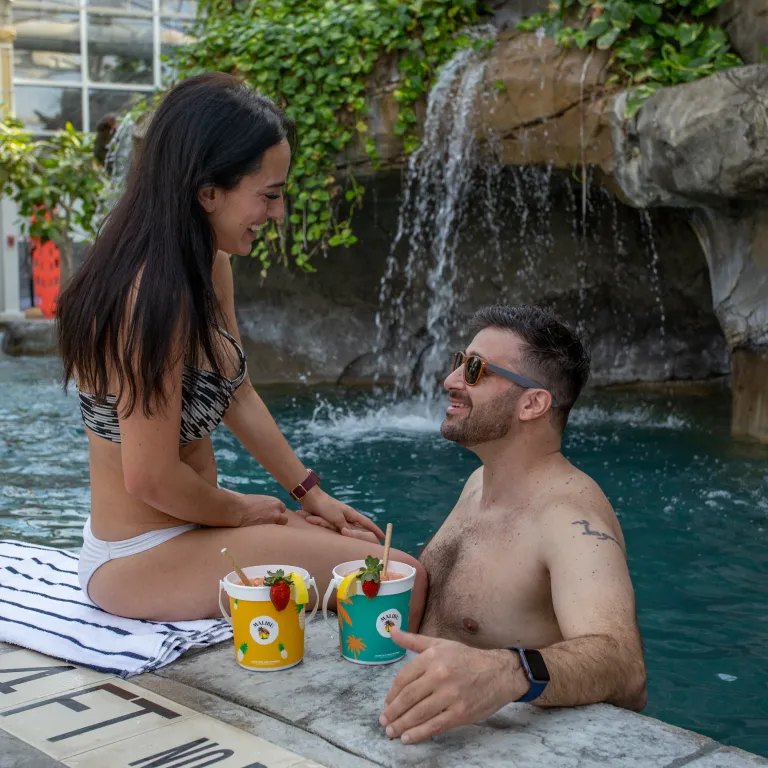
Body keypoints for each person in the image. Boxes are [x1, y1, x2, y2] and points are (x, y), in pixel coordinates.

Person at [56, 72, 426, 624]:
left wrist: (308, 493)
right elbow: (148, 477)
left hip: (193, 531)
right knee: (397, 583)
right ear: (208, 192)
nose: (277, 215)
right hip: (139, 558)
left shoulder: (208, 263)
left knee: (377, 559)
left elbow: (236, 392)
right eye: (269, 196)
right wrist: (242, 510)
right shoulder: (151, 294)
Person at [379, 305, 646, 745]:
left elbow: (625, 666)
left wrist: (508, 671)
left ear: (532, 403)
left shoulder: (569, 521)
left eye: (476, 369)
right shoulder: (479, 481)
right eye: (459, 362)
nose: (451, 380)